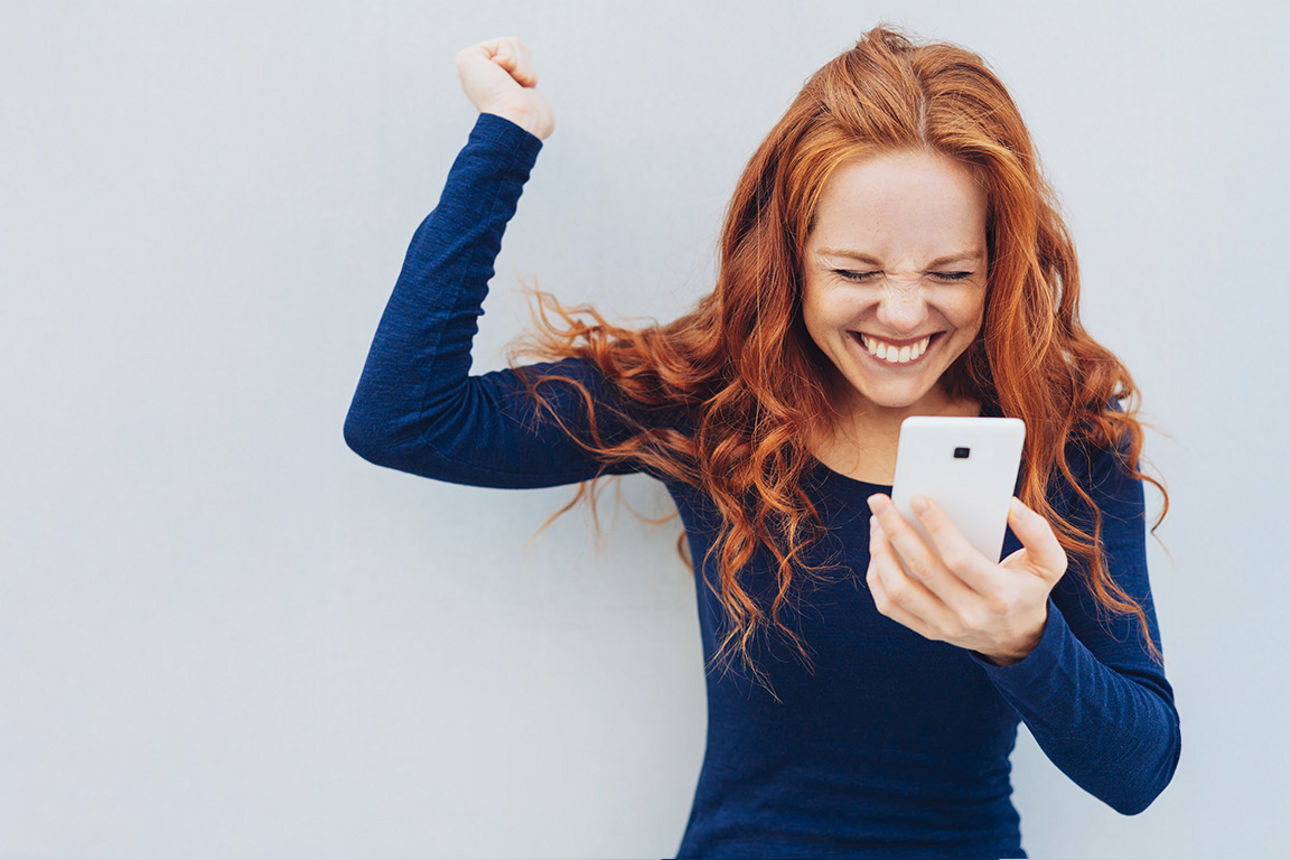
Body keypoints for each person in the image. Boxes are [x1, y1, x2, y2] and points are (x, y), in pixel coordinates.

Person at [343, 25, 1181, 860]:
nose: (901, 313)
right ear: (790, 259)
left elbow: (1141, 768)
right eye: (856, 272)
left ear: (1000, 266)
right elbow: (404, 418)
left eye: (949, 274)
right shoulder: (711, 405)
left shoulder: (1066, 444)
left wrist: (1022, 640)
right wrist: (504, 139)